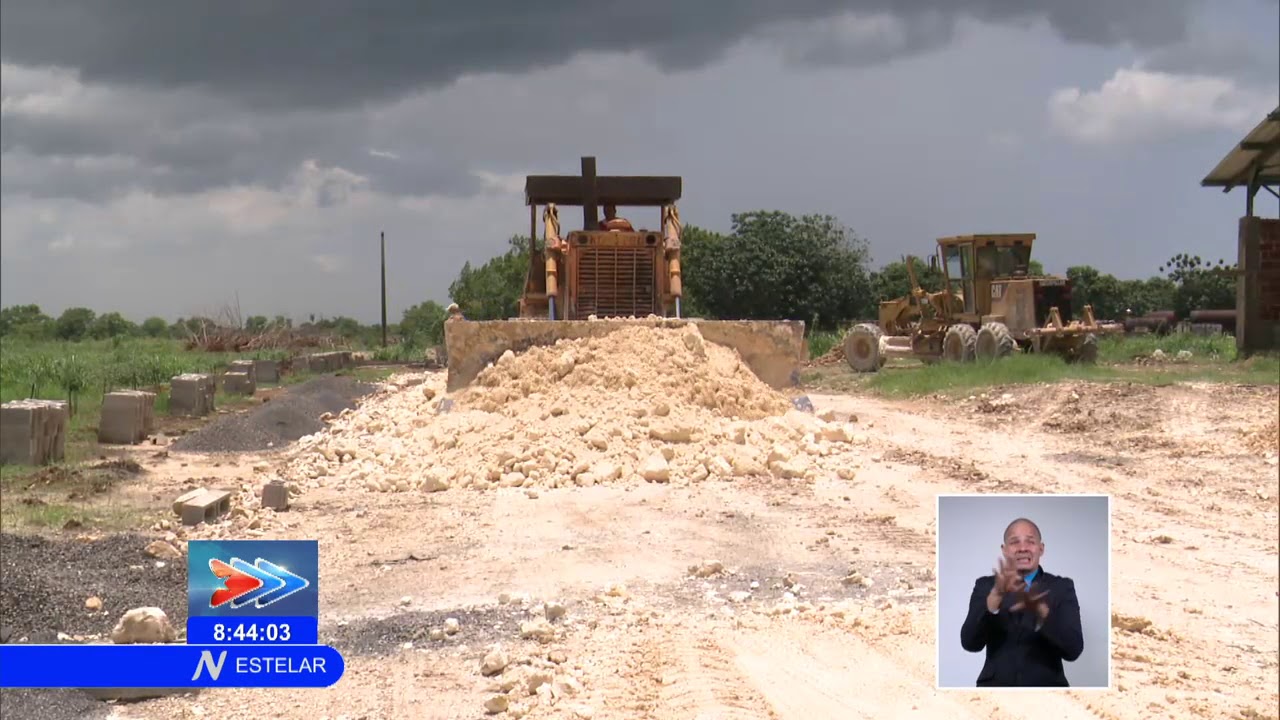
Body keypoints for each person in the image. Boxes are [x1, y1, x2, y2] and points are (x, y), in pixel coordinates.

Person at [959, 517, 1083, 687]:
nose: (1023, 548)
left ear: (1041, 549)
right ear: (1004, 550)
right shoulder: (985, 586)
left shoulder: (1062, 587)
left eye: (1030, 542)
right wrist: (994, 598)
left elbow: (1073, 650)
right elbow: (969, 643)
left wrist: (1041, 612)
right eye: (1014, 542)